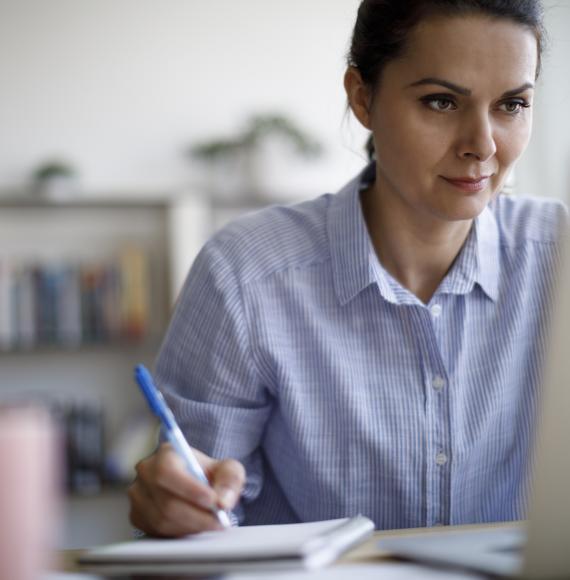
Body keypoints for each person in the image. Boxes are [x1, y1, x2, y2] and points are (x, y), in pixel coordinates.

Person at [128, 0, 567, 537]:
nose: (482, 145)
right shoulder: (245, 275)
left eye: (511, 105)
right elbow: (199, 511)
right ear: (363, 98)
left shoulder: (559, 258)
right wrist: (180, 504)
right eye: (441, 101)